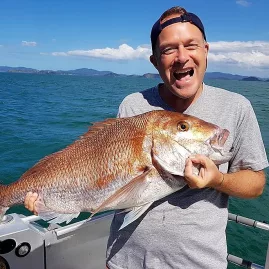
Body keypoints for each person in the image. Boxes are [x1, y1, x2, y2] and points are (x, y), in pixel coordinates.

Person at [25, 6, 268, 269]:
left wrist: (217, 179)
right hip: (123, 261)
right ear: (155, 61)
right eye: (168, 49)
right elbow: (98, 168)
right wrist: (49, 200)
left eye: (191, 45)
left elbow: (255, 183)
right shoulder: (133, 104)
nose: (182, 57)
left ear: (206, 52)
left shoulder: (236, 107)